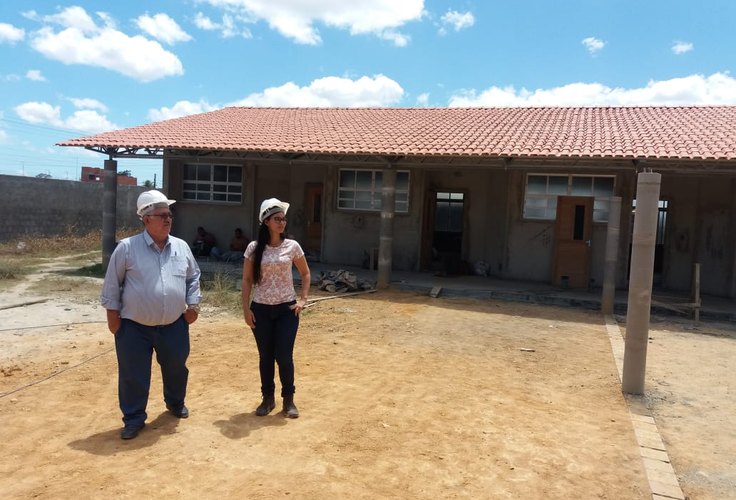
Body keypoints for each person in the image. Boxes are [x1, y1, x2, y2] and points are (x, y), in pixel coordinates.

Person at [101, 190, 201, 440]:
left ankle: (175, 403)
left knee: (177, 367)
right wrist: (113, 318)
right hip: (134, 327)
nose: (168, 219)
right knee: (133, 374)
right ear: (146, 219)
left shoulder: (181, 247)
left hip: (174, 325)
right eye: (162, 215)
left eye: (169, 215)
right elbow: (112, 284)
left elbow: (193, 277)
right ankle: (134, 418)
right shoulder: (127, 248)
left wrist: (193, 306)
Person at [242, 198, 311, 418]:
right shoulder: (254, 248)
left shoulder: (292, 246)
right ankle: (267, 399)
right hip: (260, 310)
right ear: (266, 222)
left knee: (284, 355)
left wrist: (303, 299)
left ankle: (289, 401)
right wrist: (245, 308)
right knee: (265, 356)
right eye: (277, 219)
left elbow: (306, 274)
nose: (282, 223)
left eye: (283, 219)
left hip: (286, 310)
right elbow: (246, 280)